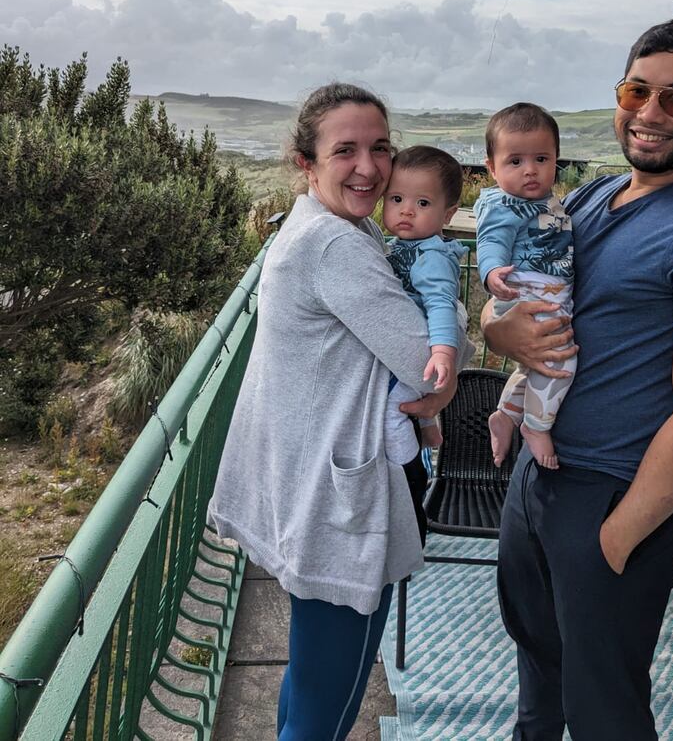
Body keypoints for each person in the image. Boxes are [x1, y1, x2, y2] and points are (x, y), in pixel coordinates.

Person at [482, 20, 673, 741]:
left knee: (604, 708)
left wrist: (616, 538)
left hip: (613, 495)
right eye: (635, 91)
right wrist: (494, 331)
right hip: (539, 476)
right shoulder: (593, 196)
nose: (649, 113)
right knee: (539, 672)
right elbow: (522, 299)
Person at [209, 83, 471, 741]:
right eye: (345, 150)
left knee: (310, 681)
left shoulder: (323, 227)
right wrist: (462, 320)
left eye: (381, 148)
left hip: (310, 481)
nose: (369, 167)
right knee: (332, 695)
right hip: (338, 502)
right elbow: (429, 362)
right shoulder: (336, 245)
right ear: (307, 162)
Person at [474, 103, 576, 469]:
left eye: (541, 159)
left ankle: (506, 415)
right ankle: (536, 425)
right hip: (527, 295)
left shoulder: (549, 202)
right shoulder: (505, 206)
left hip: (546, 296)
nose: (530, 170)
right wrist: (491, 273)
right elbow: (490, 242)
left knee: (533, 366)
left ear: (556, 160)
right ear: (492, 168)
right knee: (561, 360)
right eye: (515, 161)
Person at [381, 145, 472, 461]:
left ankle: (404, 459)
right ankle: (429, 428)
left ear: (447, 214)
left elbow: (442, 304)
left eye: (422, 203)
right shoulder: (406, 245)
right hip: (419, 343)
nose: (406, 210)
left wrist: (443, 352)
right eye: (396, 199)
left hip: (425, 350)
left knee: (393, 406)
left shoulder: (431, 257)